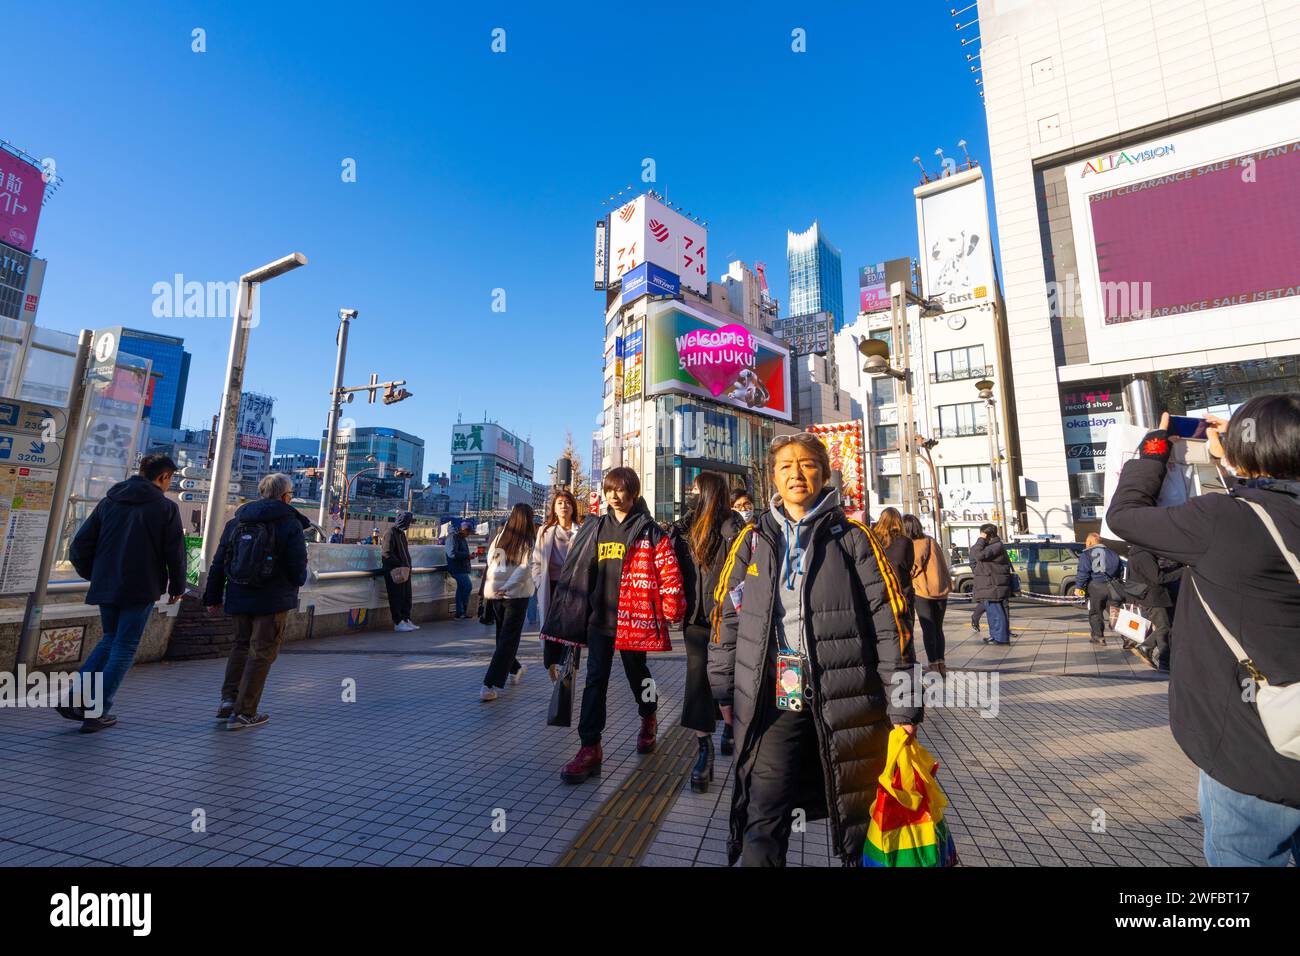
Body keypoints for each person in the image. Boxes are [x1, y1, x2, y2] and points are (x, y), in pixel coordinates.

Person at [1107, 400, 1300, 866]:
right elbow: (1270, 508)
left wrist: (1154, 447)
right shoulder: (1248, 517)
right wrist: (1239, 458)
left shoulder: (1218, 519)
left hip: (1253, 747)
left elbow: (1124, 515)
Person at [712, 433, 918, 866]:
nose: (796, 474)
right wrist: (723, 690)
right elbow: (726, 619)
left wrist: (903, 710)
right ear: (773, 478)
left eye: (806, 464)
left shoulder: (854, 538)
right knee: (763, 813)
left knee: (860, 818)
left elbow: (891, 624)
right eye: (785, 466)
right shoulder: (753, 540)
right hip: (776, 695)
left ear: (824, 474)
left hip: (848, 699)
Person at [542, 467, 684, 784]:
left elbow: (668, 570)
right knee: (595, 681)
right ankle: (589, 746)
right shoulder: (595, 527)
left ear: (632, 492)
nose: (613, 495)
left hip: (635, 619)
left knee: (639, 675)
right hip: (599, 619)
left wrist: (674, 607)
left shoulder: (649, 530)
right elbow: (576, 571)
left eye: (620, 490)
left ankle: (649, 716)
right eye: (609, 489)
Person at [63, 453, 186, 733]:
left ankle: (73, 698)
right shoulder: (165, 508)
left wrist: (97, 576)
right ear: (164, 477)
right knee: (124, 646)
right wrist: (177, 588)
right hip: (141, 586)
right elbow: (175, 555)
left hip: (107, 585)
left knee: (110, 639)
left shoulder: (110, 501)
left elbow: (79, 547)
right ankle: (96, 710)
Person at [201, 473, 310, 730]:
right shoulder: (289, 522)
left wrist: (213, 596)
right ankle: (245, 712)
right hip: (272, 599)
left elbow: (219, 562)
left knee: (240, 646)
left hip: (239, 594)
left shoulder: (237, 521)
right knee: (262, 652)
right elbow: (297, 567)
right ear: (285, 496)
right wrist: (296, 581)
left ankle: (228, 700)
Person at [669, 471, 746, 792]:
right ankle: (705, 749)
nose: (690, 492)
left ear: (709, 491)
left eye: (695, 488)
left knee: (730, 678)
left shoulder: (734, 527)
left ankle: (730, 729)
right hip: (695, 620)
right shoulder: (684, 527)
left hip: (728, 619)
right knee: (697, 680)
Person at [480, 504, 537, 701]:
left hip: (496, 594)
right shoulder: (528, 541)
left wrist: (499, 586)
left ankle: (516, 668)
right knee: (508, 640)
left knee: (501, 637)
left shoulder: (500, 538)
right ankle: (490, 683)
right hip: (516, 596)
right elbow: (525, 568)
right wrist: (509, 587)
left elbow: (492, 564)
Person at [534, 489, 582, 680]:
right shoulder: (545, 531)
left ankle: (568, 666)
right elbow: (536, 561)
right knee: (551, 627)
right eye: (560, 503)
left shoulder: (581, 531)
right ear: (554, 507)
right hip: (551, 587)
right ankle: (551, 665)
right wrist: (538, 581)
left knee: (571, 628)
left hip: (575, 589)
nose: (564, 506)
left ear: (573, 508)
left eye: (568, 503)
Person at [904, 513, 952, 674]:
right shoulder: (932, 541)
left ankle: (933, 664)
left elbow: (913, 567)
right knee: (938, 629)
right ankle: (941, 664)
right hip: (941, 591)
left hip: (923, 592)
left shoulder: (915, 544)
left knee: (928, 629)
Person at [1124, 545, 1174, 670]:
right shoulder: (1144, 555)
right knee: (1164, 628)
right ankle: (1163, 661)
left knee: (1164, 627)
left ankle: (1148, 648)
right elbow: (1158, 578)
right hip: (1154, 597)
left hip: (1145, 596)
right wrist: (1182, 572)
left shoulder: (1133, 554)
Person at [1075, 532, 1122, 645]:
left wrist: (1079, 587)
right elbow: (1121, 570)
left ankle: (1098, 636)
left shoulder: (1087, 554)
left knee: (1096, 612)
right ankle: (1127, 637)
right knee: (1114, 612)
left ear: (1090, 542)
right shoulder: (1113, 553)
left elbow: (1083, 572)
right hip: (1112, 586)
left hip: (1096, 586)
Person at [970, 523, 1012, 645]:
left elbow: (978, 554)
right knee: (993, 612)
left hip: (993, 584)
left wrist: (981, 539)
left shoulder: (995, 546)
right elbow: (975, 555)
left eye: (982, 534)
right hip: (991, 583)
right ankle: (995, 635)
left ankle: (1000, 637)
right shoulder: (993, 545)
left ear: (986, 534)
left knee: (996, 613)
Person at [873, 507, 915, 630]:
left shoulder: (872, 540)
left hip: (879, 594)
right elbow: (908, 565)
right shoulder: (906, 542)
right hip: (902, 593)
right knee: (905, 634)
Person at [383, 512, 418, 632]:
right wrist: (399, 564)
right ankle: (398, 622)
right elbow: (386, 553)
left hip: (405, 570)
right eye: (407, 522)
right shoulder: (390, 533)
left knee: (406, 596)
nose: (408, 525)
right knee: (396, 596)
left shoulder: (401, 534)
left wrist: (407, 565)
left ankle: (406, 619)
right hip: (395, 571)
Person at [446, 520, 473, 619]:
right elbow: (451, 553)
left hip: (461, 568)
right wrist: (467, 555)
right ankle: (460, 612)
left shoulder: (461, 538)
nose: (469, 534)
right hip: (457, 568)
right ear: (463, 530)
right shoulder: (453, 537)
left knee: (462, 589)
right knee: (467, 586)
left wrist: (469, 556)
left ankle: (460, 612)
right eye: (468, 532)